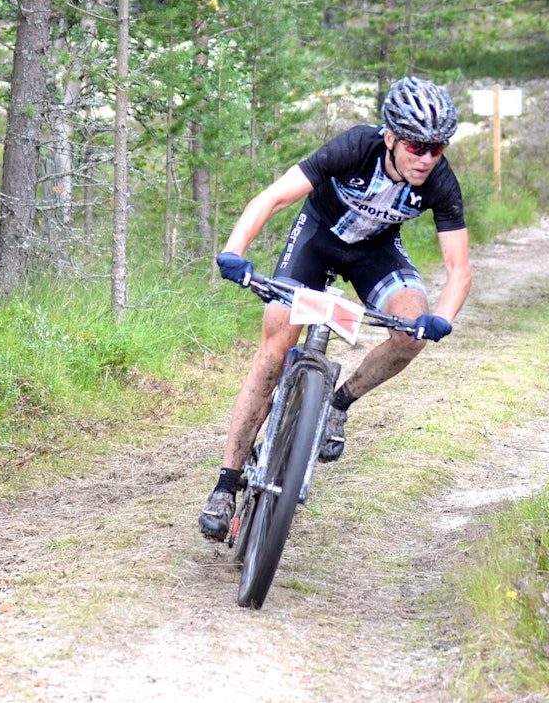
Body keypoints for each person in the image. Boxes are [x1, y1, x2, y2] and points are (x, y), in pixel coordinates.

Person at [199, 76, 471, 541]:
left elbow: (458, 266)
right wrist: (234, 251)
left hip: (374, 252)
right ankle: (226, 484)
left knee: (410, 331)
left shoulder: (440, 183)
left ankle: (338, 403)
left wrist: (441, 318)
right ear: (390, 137)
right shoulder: (355, 148)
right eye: (415, 145)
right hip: (317, 238)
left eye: (437, 148)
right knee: (274, 350)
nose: (425, 158)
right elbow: (275, 196)